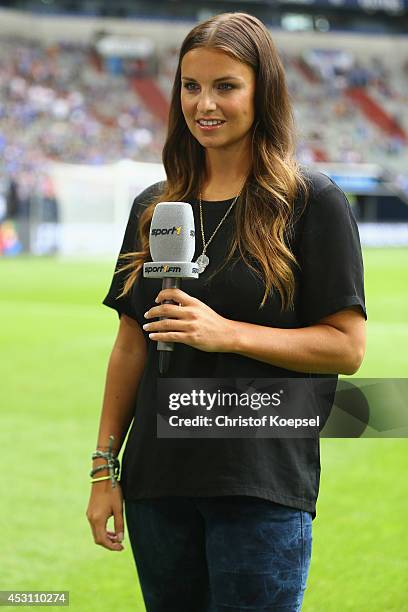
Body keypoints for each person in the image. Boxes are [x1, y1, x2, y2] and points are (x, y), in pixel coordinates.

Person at [86, 12, 367, 612]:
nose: (203, 104)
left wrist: (226, 333)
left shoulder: (312, 201)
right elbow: (131, 345)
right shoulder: (153, 206)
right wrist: (103, 468)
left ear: (262, 91)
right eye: (190, 86)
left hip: (259, 481)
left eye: (225, 86)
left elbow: (346, 347)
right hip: (158, 483)